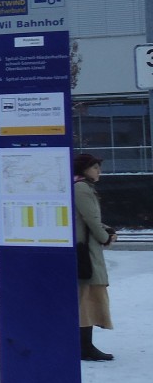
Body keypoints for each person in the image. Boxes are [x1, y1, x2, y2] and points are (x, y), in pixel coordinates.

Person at [73, 153, 115, 361]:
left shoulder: (81, 186)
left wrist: (106, 230)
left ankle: (84, 345)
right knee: (87, 299)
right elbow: (90, 219)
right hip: (86, 252)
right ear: (84, 169)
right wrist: (105, 237)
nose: (99, 171)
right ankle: (85, 347)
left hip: (86, 249)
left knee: (86, 298)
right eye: (95, 167)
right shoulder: (81, 188)